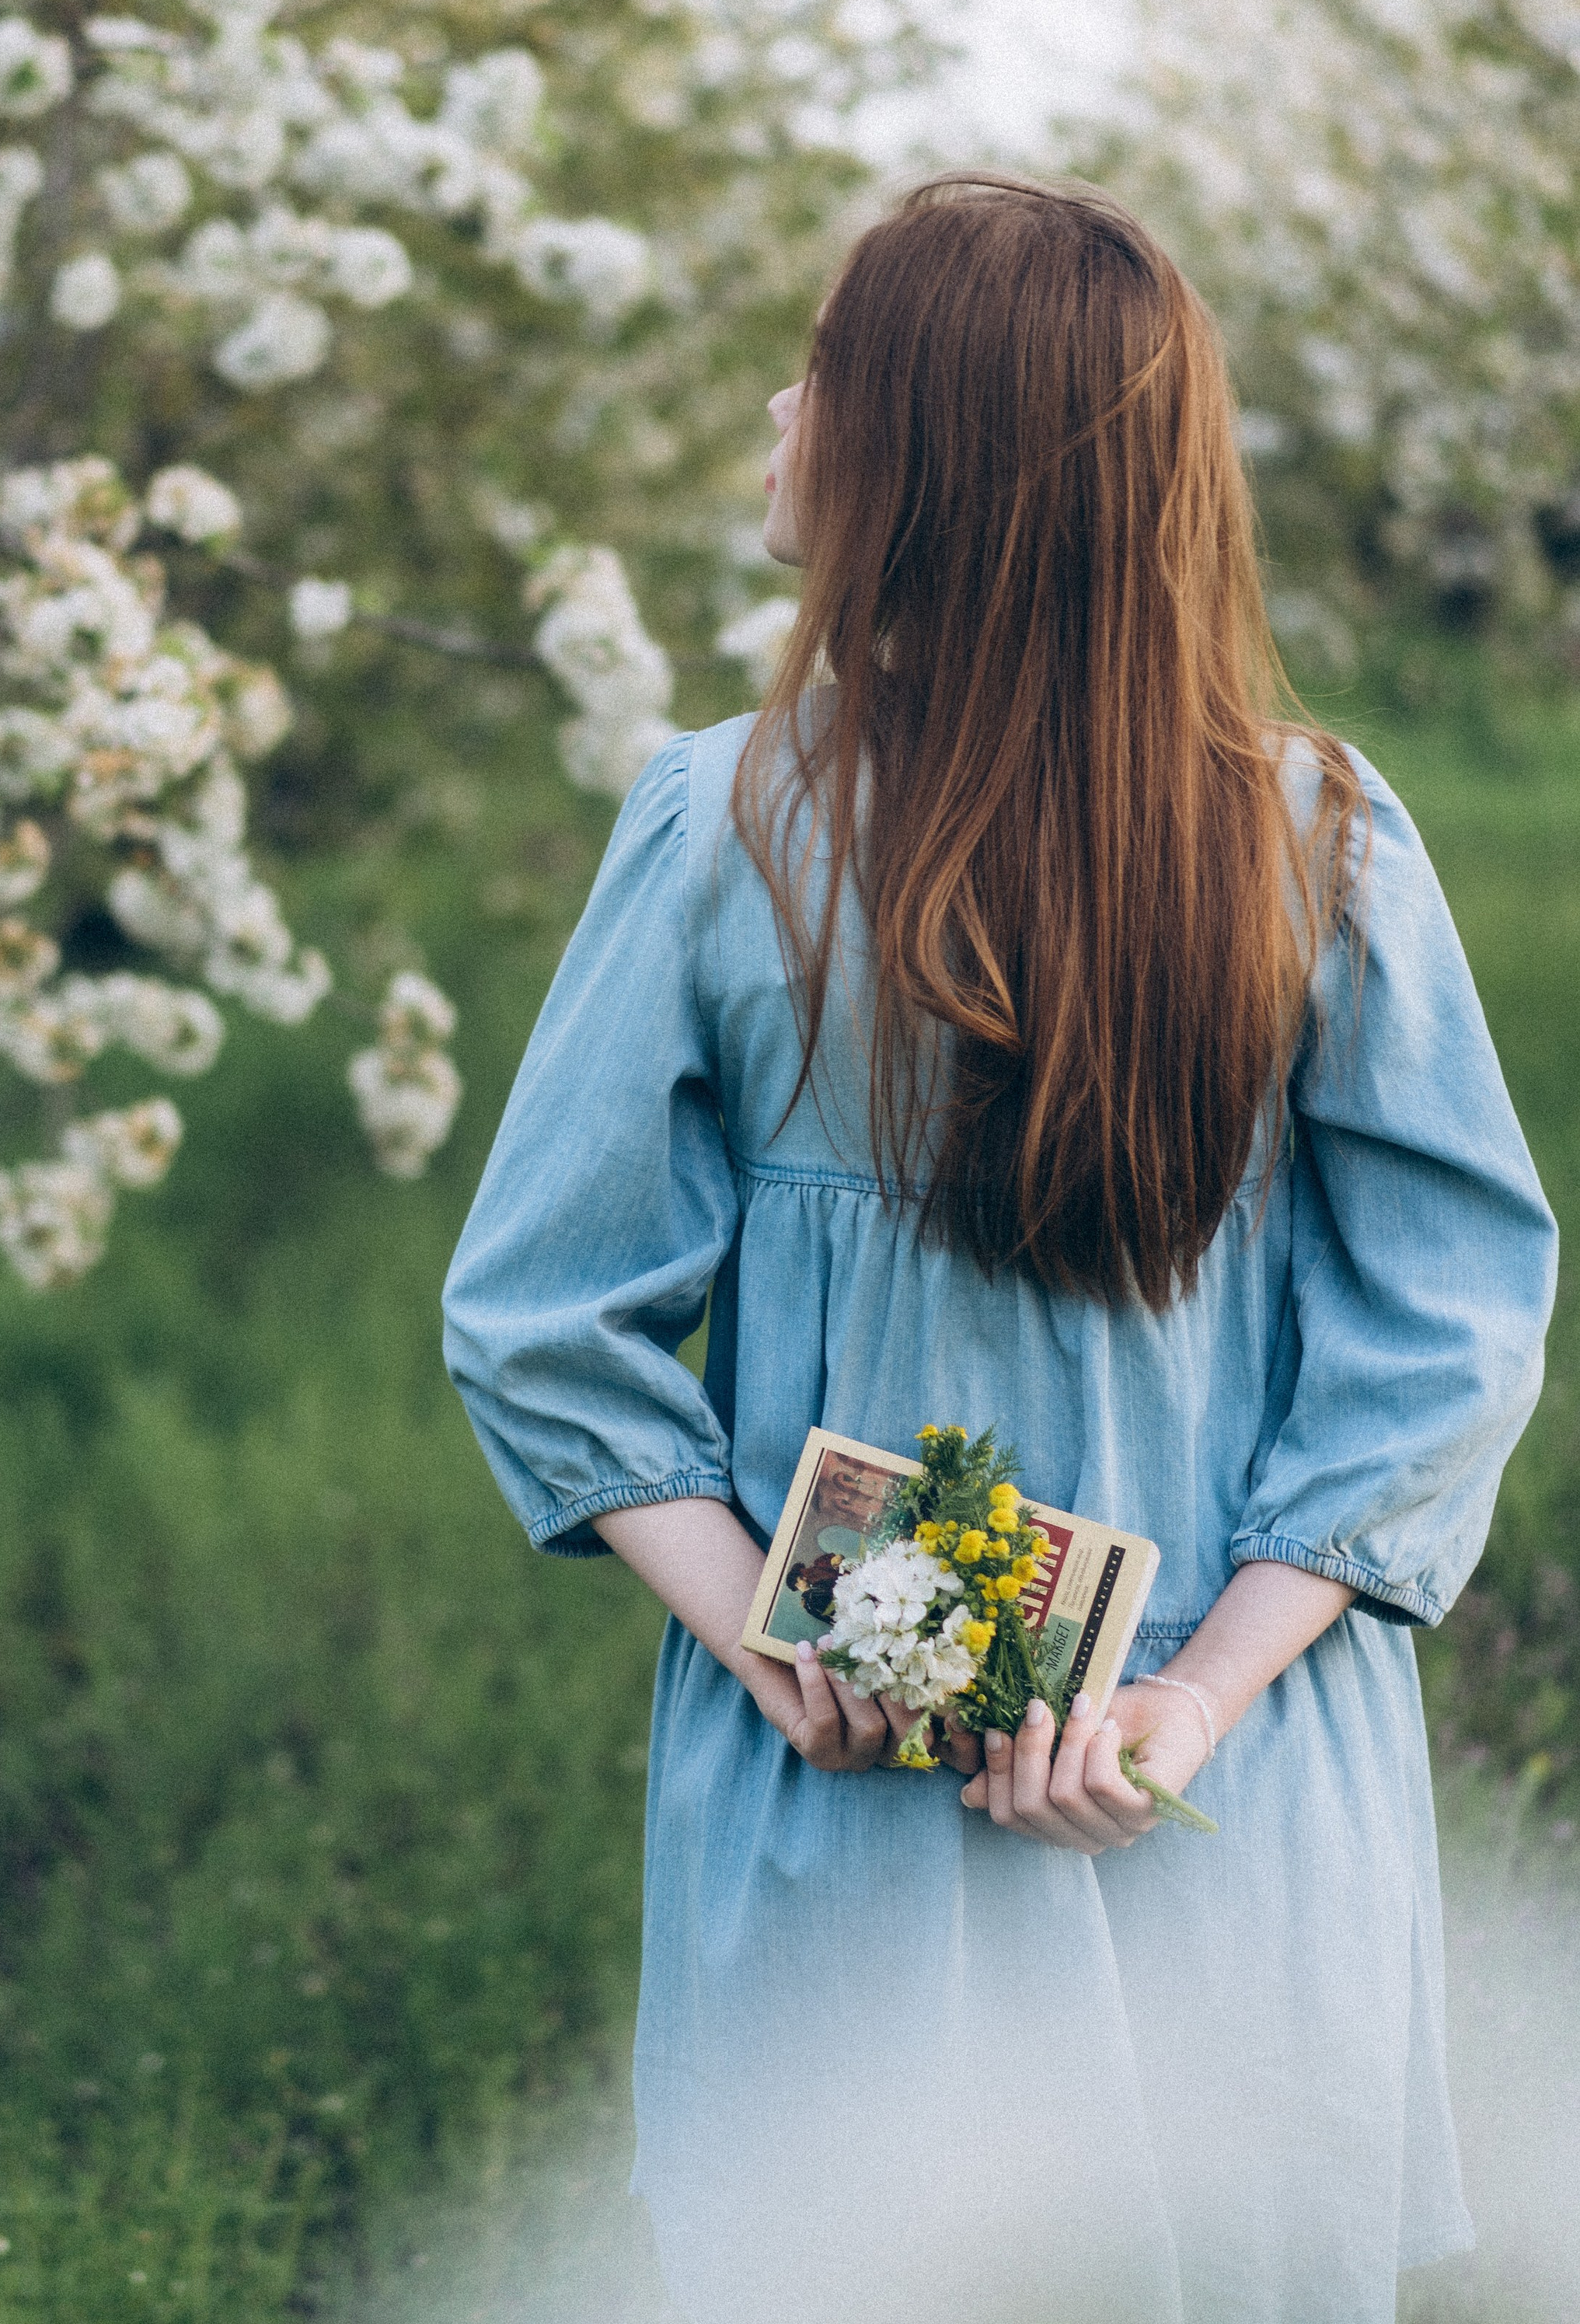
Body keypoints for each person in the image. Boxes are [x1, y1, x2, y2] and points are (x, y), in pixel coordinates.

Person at [442, 174, 1554, 2324]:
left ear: (926, 454)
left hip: (854, 1802)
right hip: (1237, 1792)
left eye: (827, 367)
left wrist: (781, 1644)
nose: (782, 405)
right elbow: (1445, 1341)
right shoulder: (1321, 831)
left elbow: (539, 1317)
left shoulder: (728, 825)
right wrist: (1189, 1704)